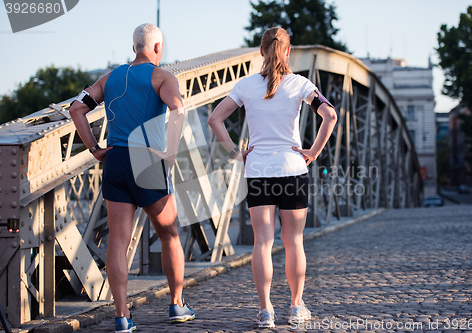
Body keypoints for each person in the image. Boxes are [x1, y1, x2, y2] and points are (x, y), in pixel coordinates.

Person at [208, 27, 337, 328]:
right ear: (288, 51)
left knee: (262, 244)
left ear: (261, 51)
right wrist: (314, 152)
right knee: (294, 242)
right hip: (293, 170)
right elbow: (329, 115)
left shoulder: (245, 86)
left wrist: (235, 153)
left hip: (259, 172)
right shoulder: (300, 84)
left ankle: (266, 311)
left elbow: (216, 118)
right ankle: (295, 307)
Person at [69, 23, 195, 333]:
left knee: (118, 242)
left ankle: (122, 317)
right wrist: (169, 151)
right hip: (146, 158)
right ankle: (177, 304)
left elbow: (75, 110)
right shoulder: (162, 77)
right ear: (157, 48)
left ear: (133, 47)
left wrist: (94, 147)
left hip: (115, 159)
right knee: (169, 234)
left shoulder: (110, 78)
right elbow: (178, 109)